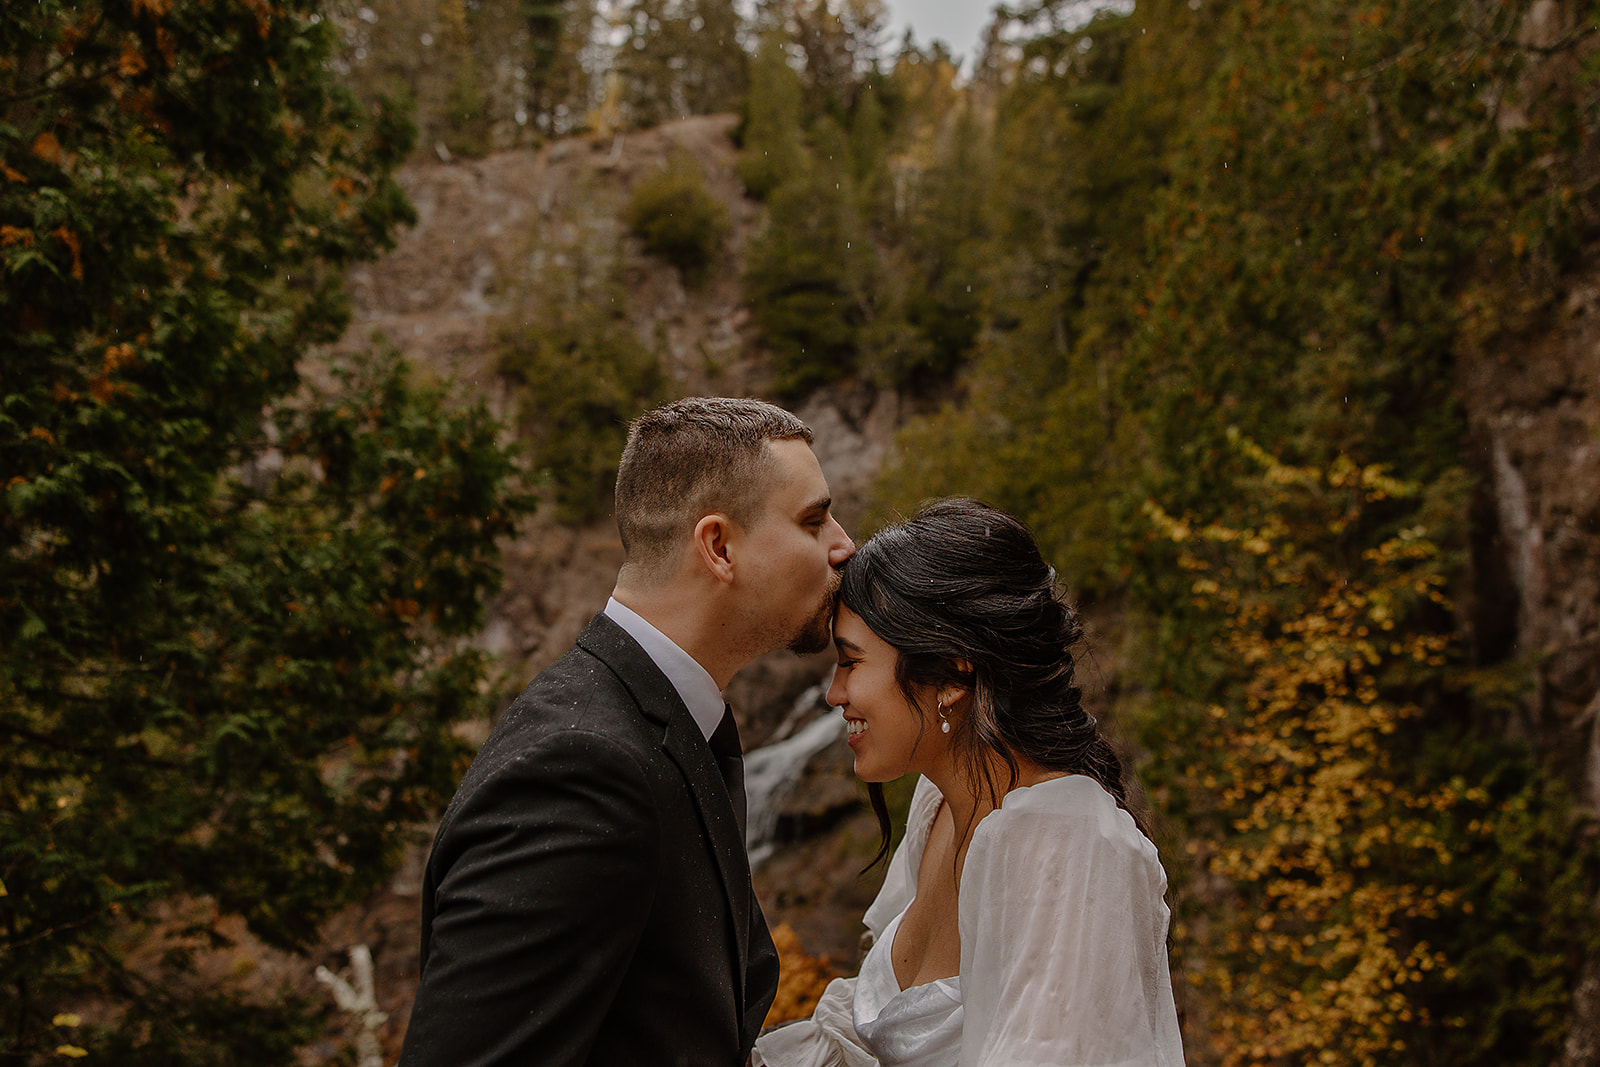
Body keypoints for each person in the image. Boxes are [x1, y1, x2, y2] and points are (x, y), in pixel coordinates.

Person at [398, 397, 856, 1067]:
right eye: (814, 520)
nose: (844, 543)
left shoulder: (668, 722)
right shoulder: (579, 769)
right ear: (719, 546)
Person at [752, 498, 1185, 1067]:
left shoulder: (1069, 846)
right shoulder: (939, 804)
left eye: (851, 662)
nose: (835, 693)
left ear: (952, 674)